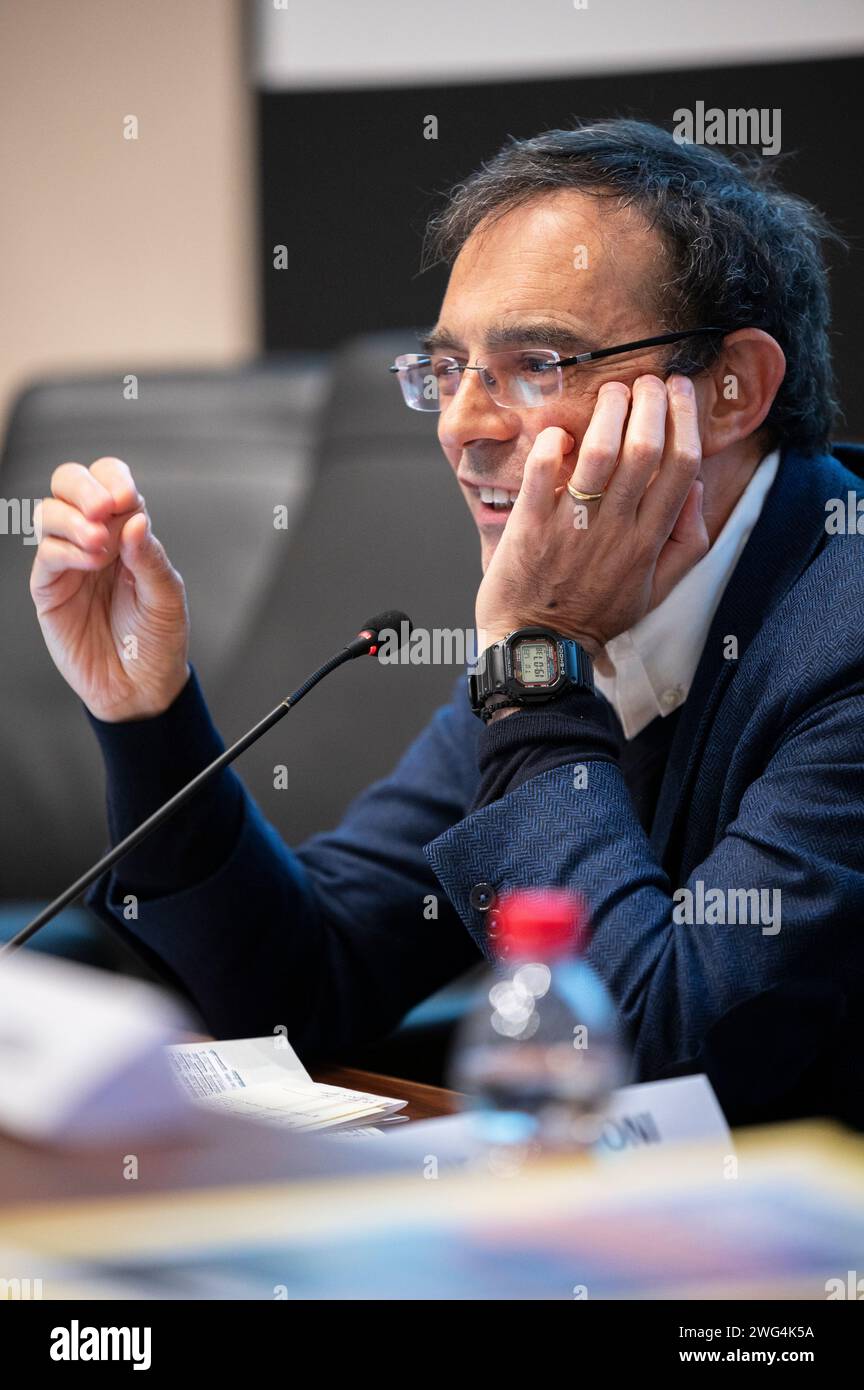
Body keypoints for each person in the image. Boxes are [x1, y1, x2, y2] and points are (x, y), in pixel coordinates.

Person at [30, 121, 864, 1126]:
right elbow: (299, 987)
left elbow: (655, 1079)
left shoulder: (831, 634)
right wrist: (146, 712)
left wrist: (534, 665)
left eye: (540, 363)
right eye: (446, 371)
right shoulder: (579, 612)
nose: (461, 425)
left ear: (734, 390)